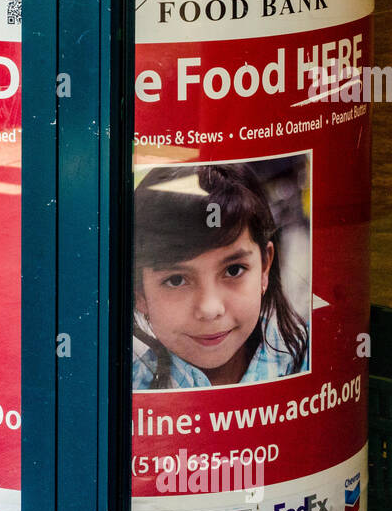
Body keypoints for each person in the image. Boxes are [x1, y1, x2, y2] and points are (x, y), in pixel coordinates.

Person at [131, 162, 309, 389]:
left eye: (234, 270)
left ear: (265, 267)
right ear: (139, 293)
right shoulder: (123, 393)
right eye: (176, 280)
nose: (210, 309)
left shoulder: (312, 355)